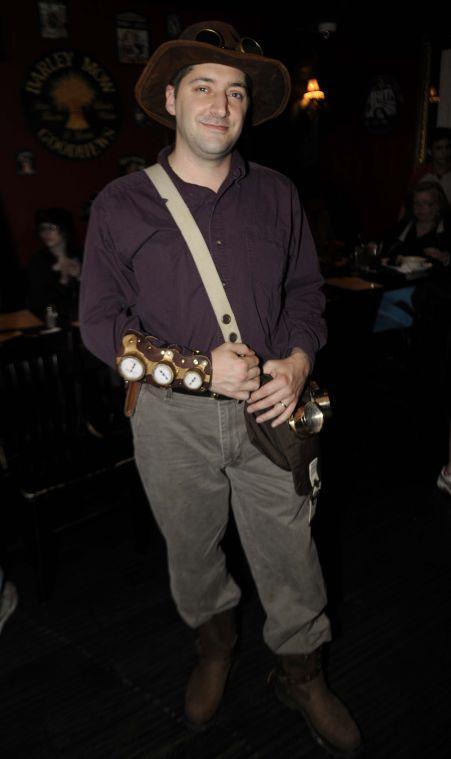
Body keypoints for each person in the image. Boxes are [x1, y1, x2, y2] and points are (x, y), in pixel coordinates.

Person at [79, 20, 362, 757]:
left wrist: (298, 360)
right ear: (170, 98)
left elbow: (305, 292)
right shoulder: (119, 204)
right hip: (169, 420)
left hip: (273, 407)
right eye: (202, 86)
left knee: (292, 551)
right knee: (192, 552)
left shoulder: (276, 195)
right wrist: (202, 369)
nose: (219, 103)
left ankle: (300, 671)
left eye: (234, 91)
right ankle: (214, 646)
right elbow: (97, 323)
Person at [27, 208, 81, 325]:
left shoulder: (80, 254)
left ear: (64, 230)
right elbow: (39, 303)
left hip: (86, 316)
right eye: (42, 229)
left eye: (51, 228)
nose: (46, 234)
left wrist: (79, 276)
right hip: (57, 322)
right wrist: (63, 280)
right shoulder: (38, 261)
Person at [384, 181, 451, 266]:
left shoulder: (447, 231)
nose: (419, 208)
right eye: (416, 203)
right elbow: (383, 252)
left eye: (426, 203)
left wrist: (445, 258)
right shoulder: (401, 228)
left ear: (438, 205)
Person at [411, 128, 451, 205]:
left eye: (448, 147)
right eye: (439, 148)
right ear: (430, 151)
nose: (444, 152)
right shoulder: (421, 174)